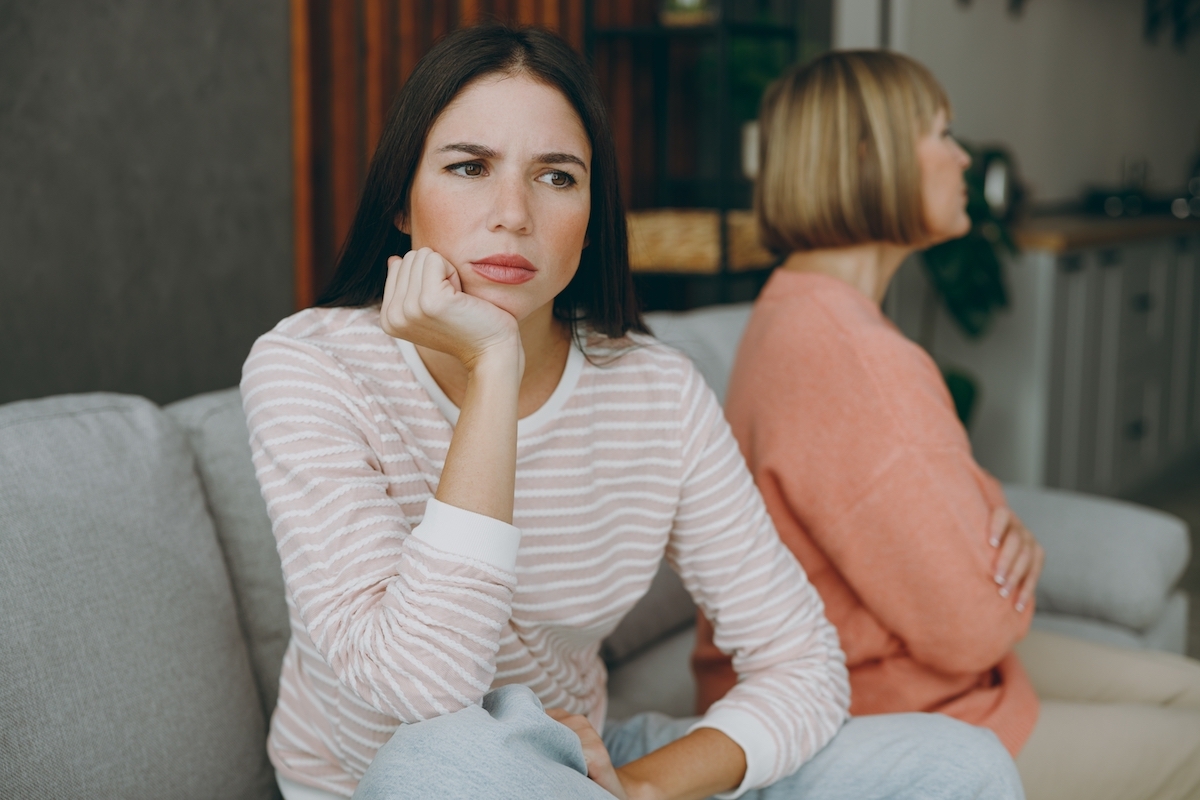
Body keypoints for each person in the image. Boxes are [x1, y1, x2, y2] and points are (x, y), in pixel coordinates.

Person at [243, 25, 1024, 800]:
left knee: (962, 762)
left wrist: (644, 786)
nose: (512, 212)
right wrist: (493, 373)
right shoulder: (311, 368)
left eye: (556, 177)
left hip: (584, 768)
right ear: (403, 204)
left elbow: (803, 666)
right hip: (409, 779)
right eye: (470, 167)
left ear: (592, 213)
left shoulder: (657, 391)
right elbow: (418, 695)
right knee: (441, 761)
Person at [690, 49, 1200, 800]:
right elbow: (976, 628)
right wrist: (996, 552)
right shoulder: (858, 360)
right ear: (871, 157)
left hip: (883, 683)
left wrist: (991, 522)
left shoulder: (796, 305)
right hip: (883, 722)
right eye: (943, 134)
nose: (964, 158)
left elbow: (952, 499)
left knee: (1184, 688)